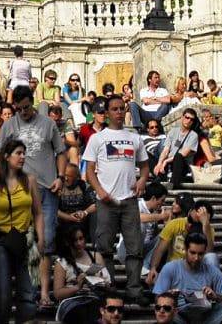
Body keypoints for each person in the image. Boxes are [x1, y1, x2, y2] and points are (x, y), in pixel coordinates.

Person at [84, 93, 150, 305]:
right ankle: (109, 287)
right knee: (104, 247)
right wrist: (100, 191)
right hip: (106, 201)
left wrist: (142, 182)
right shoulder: (98, 138)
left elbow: (145, 166)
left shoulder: (135, 138)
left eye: (122, 108)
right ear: (107, 112)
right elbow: (89, 171)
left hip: (129, 199)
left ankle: (134, 290)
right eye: (115, 109)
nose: (120, 112)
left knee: (135, 247)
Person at [0, 85, 66, 257]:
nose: (23, 112)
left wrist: (61, 177)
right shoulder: (9, 125)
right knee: (22, 238)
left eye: (26, 107)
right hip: (19, 187)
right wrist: (2, 177)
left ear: (32, 103)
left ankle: (42, 283)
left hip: (47, 187)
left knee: (47, 238)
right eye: (18, 109)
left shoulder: (48, 123)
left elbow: (61, 152)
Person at [0, 139, 44, 321]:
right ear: (7, 156)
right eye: (18, 153)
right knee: (3, 292)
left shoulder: (30, 180)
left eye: (24, 153)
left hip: (26, 238)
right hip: (0, 239)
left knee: (28, 291)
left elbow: (38, 213)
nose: (22, 157)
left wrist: (41, 239)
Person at [151, 232, 222, 324]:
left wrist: (215, 296)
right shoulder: (170, 268)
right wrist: (170, 297)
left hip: (206, 316)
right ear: (185, 249)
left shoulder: (213, 271)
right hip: (180, 316)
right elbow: (157, 299)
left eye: (200, 254)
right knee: (167, 315)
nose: (196, 258)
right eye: (192, 253)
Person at [155, 109, 200, 189]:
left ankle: (173, 184)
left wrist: (165, 161)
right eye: (187, 117)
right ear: (182, 117)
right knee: (149, 157)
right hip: (169, 163)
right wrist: (160, 163)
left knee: (178, 156)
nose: (189, 120)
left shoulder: (193, 135)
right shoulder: (173, 131)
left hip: (183, 165)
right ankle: (158, 180)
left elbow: (184, 154)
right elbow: (166, 150)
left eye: (191, 119)